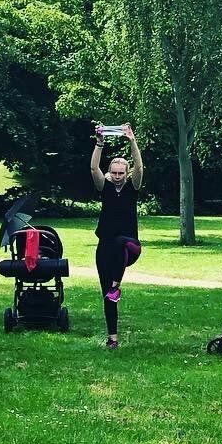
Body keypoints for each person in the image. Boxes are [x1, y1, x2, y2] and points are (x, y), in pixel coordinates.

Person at [90, 126, 144, 350]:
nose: (118, 176)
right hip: (105, 246)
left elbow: (140, 166)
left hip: (130, 246)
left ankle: (116, 284)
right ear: (110, 172)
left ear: (127, 173)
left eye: (122, 172)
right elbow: (94, 169)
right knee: (107, 297)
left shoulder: (133, 186)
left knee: (122, 242)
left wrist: (132, 141)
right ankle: (112, 337)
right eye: (115, 172)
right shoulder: (106, 187)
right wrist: (99, 142)